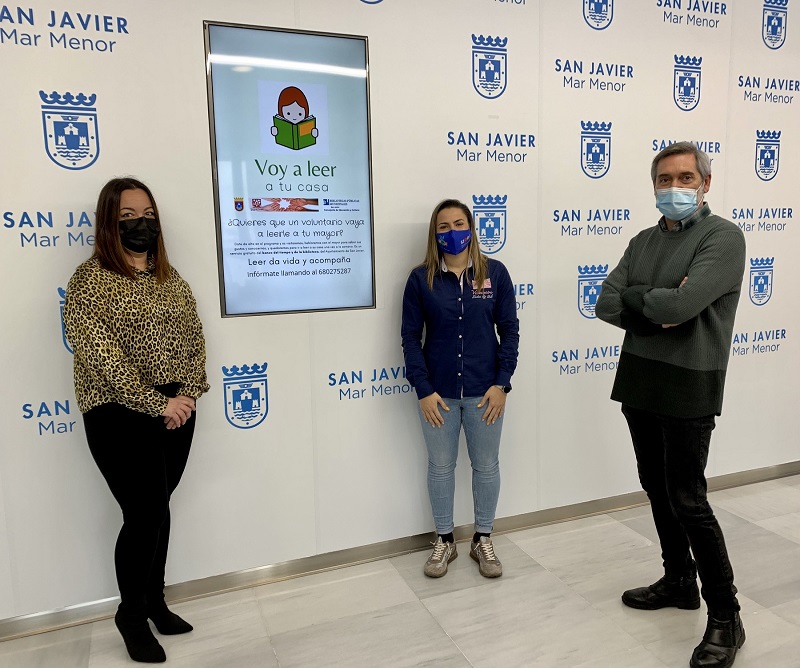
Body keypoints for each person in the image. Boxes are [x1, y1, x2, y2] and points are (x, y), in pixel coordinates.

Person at [595, 143, 746, 668]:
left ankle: (726, 615)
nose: (674, 187)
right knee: (656, 487)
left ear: (705, 183)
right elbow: (604, 301)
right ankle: (680, 580)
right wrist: (656, 302)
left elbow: (684, 303)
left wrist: (645, 297)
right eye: (665, 179)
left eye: (685, 177)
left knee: (688, 499)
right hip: (640, 379)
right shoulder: (642, 240)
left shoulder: (723, 237)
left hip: (689, 383)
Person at [64, 177, 209, 664]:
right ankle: (131, 614)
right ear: (109, 222)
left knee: (158, 509)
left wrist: (187, 393)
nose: (140, 223)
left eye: (147, 214)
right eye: (127, 216)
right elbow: (100, 354)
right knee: (143, 513)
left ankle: (155, 602)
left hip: (176, 409)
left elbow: (194, 336)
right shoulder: (90, 280)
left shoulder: (170, 278)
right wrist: (154, 403)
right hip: (117, 412)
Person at [401, 199, 519, 579]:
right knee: (440, 467)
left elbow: (510, 331)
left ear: (471, 228)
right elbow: (410, 338)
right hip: (439, 395)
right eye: (443, 226)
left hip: (486, 393)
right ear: (434, 234)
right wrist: (423, 389)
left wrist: (502, 384)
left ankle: (482, 538)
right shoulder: (421, 280)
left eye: (459, 224)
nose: (452, 232)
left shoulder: (495, 273)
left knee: (486, 466)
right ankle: (445, 540)